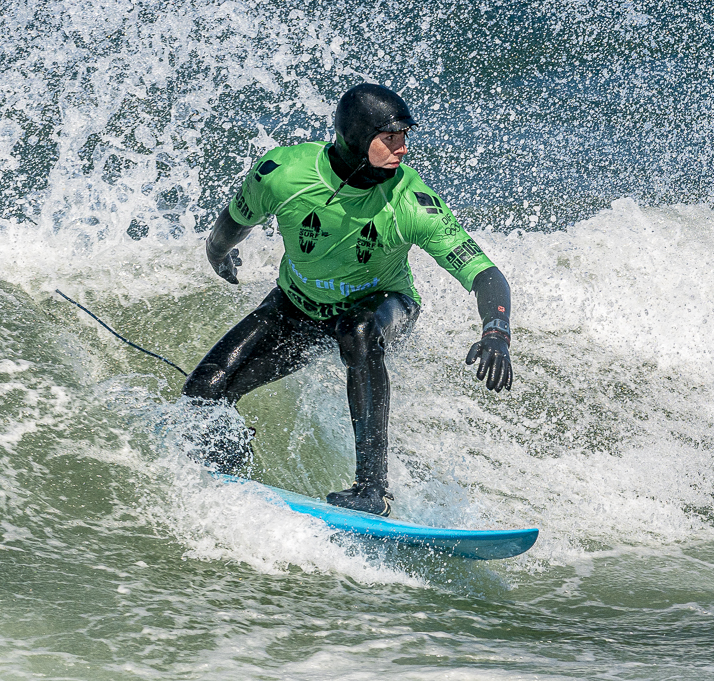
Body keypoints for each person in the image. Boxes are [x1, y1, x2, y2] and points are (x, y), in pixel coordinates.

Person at [182, 83, 513, 516]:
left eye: (404, 137)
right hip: (298, 306)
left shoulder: (410, 203)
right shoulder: (283, 174)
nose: (403, 149)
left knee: (357, 330)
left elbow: (485, 274)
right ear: (356, 138)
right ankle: (228, 465)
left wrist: (496, 331)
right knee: (202, 393)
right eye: (389, 138)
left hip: (386, 305)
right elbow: (234, 222)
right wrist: (218, 254)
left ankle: (373, 490)